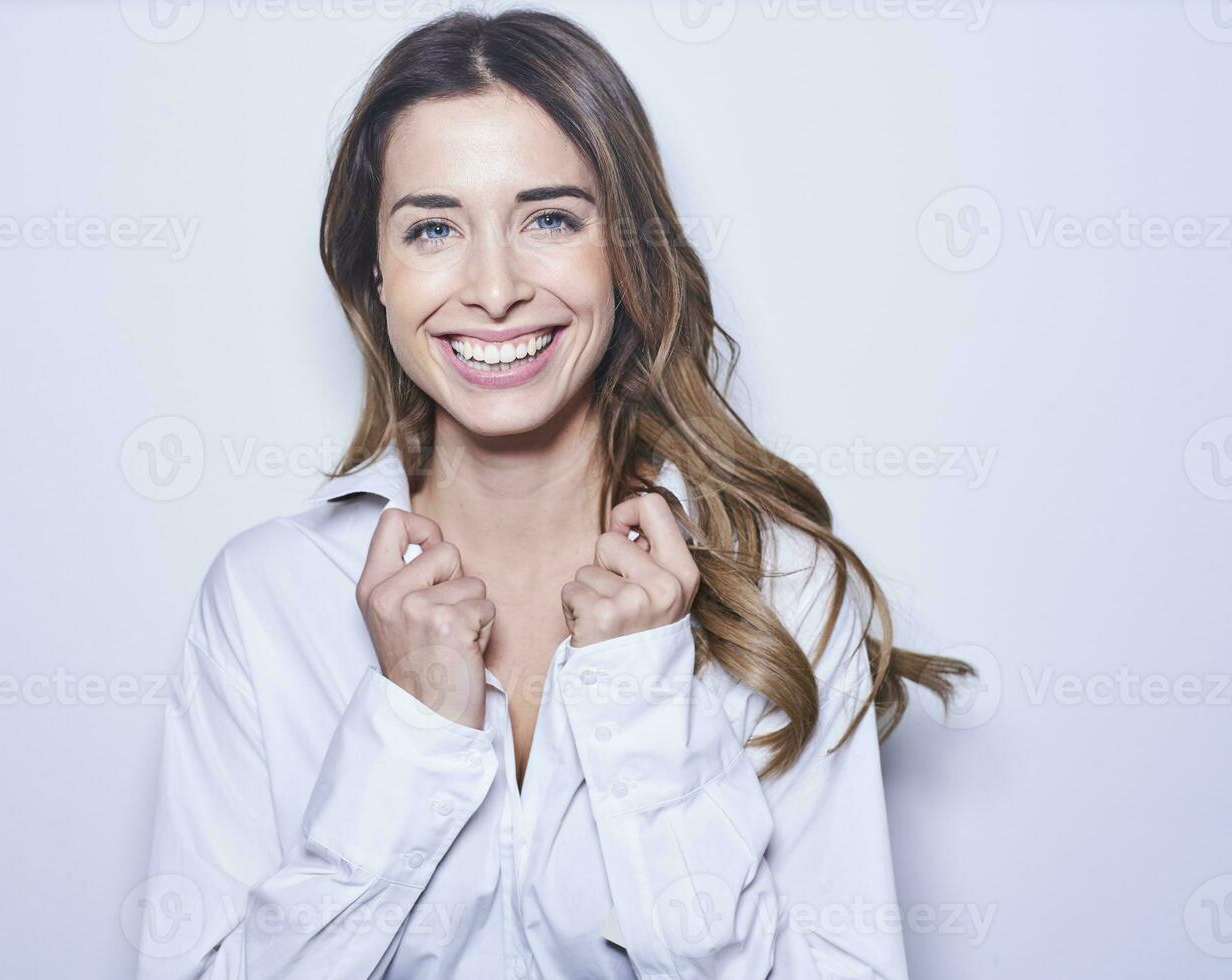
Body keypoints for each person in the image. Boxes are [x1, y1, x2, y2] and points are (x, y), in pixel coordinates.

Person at [133, 9, 973, 979]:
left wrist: (640, 707)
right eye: (434, 226)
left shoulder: (782, 586)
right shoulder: (264, 595)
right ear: (377, 267)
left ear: (625, 248)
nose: (493, 288)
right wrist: (410, 731)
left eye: (550, 218)